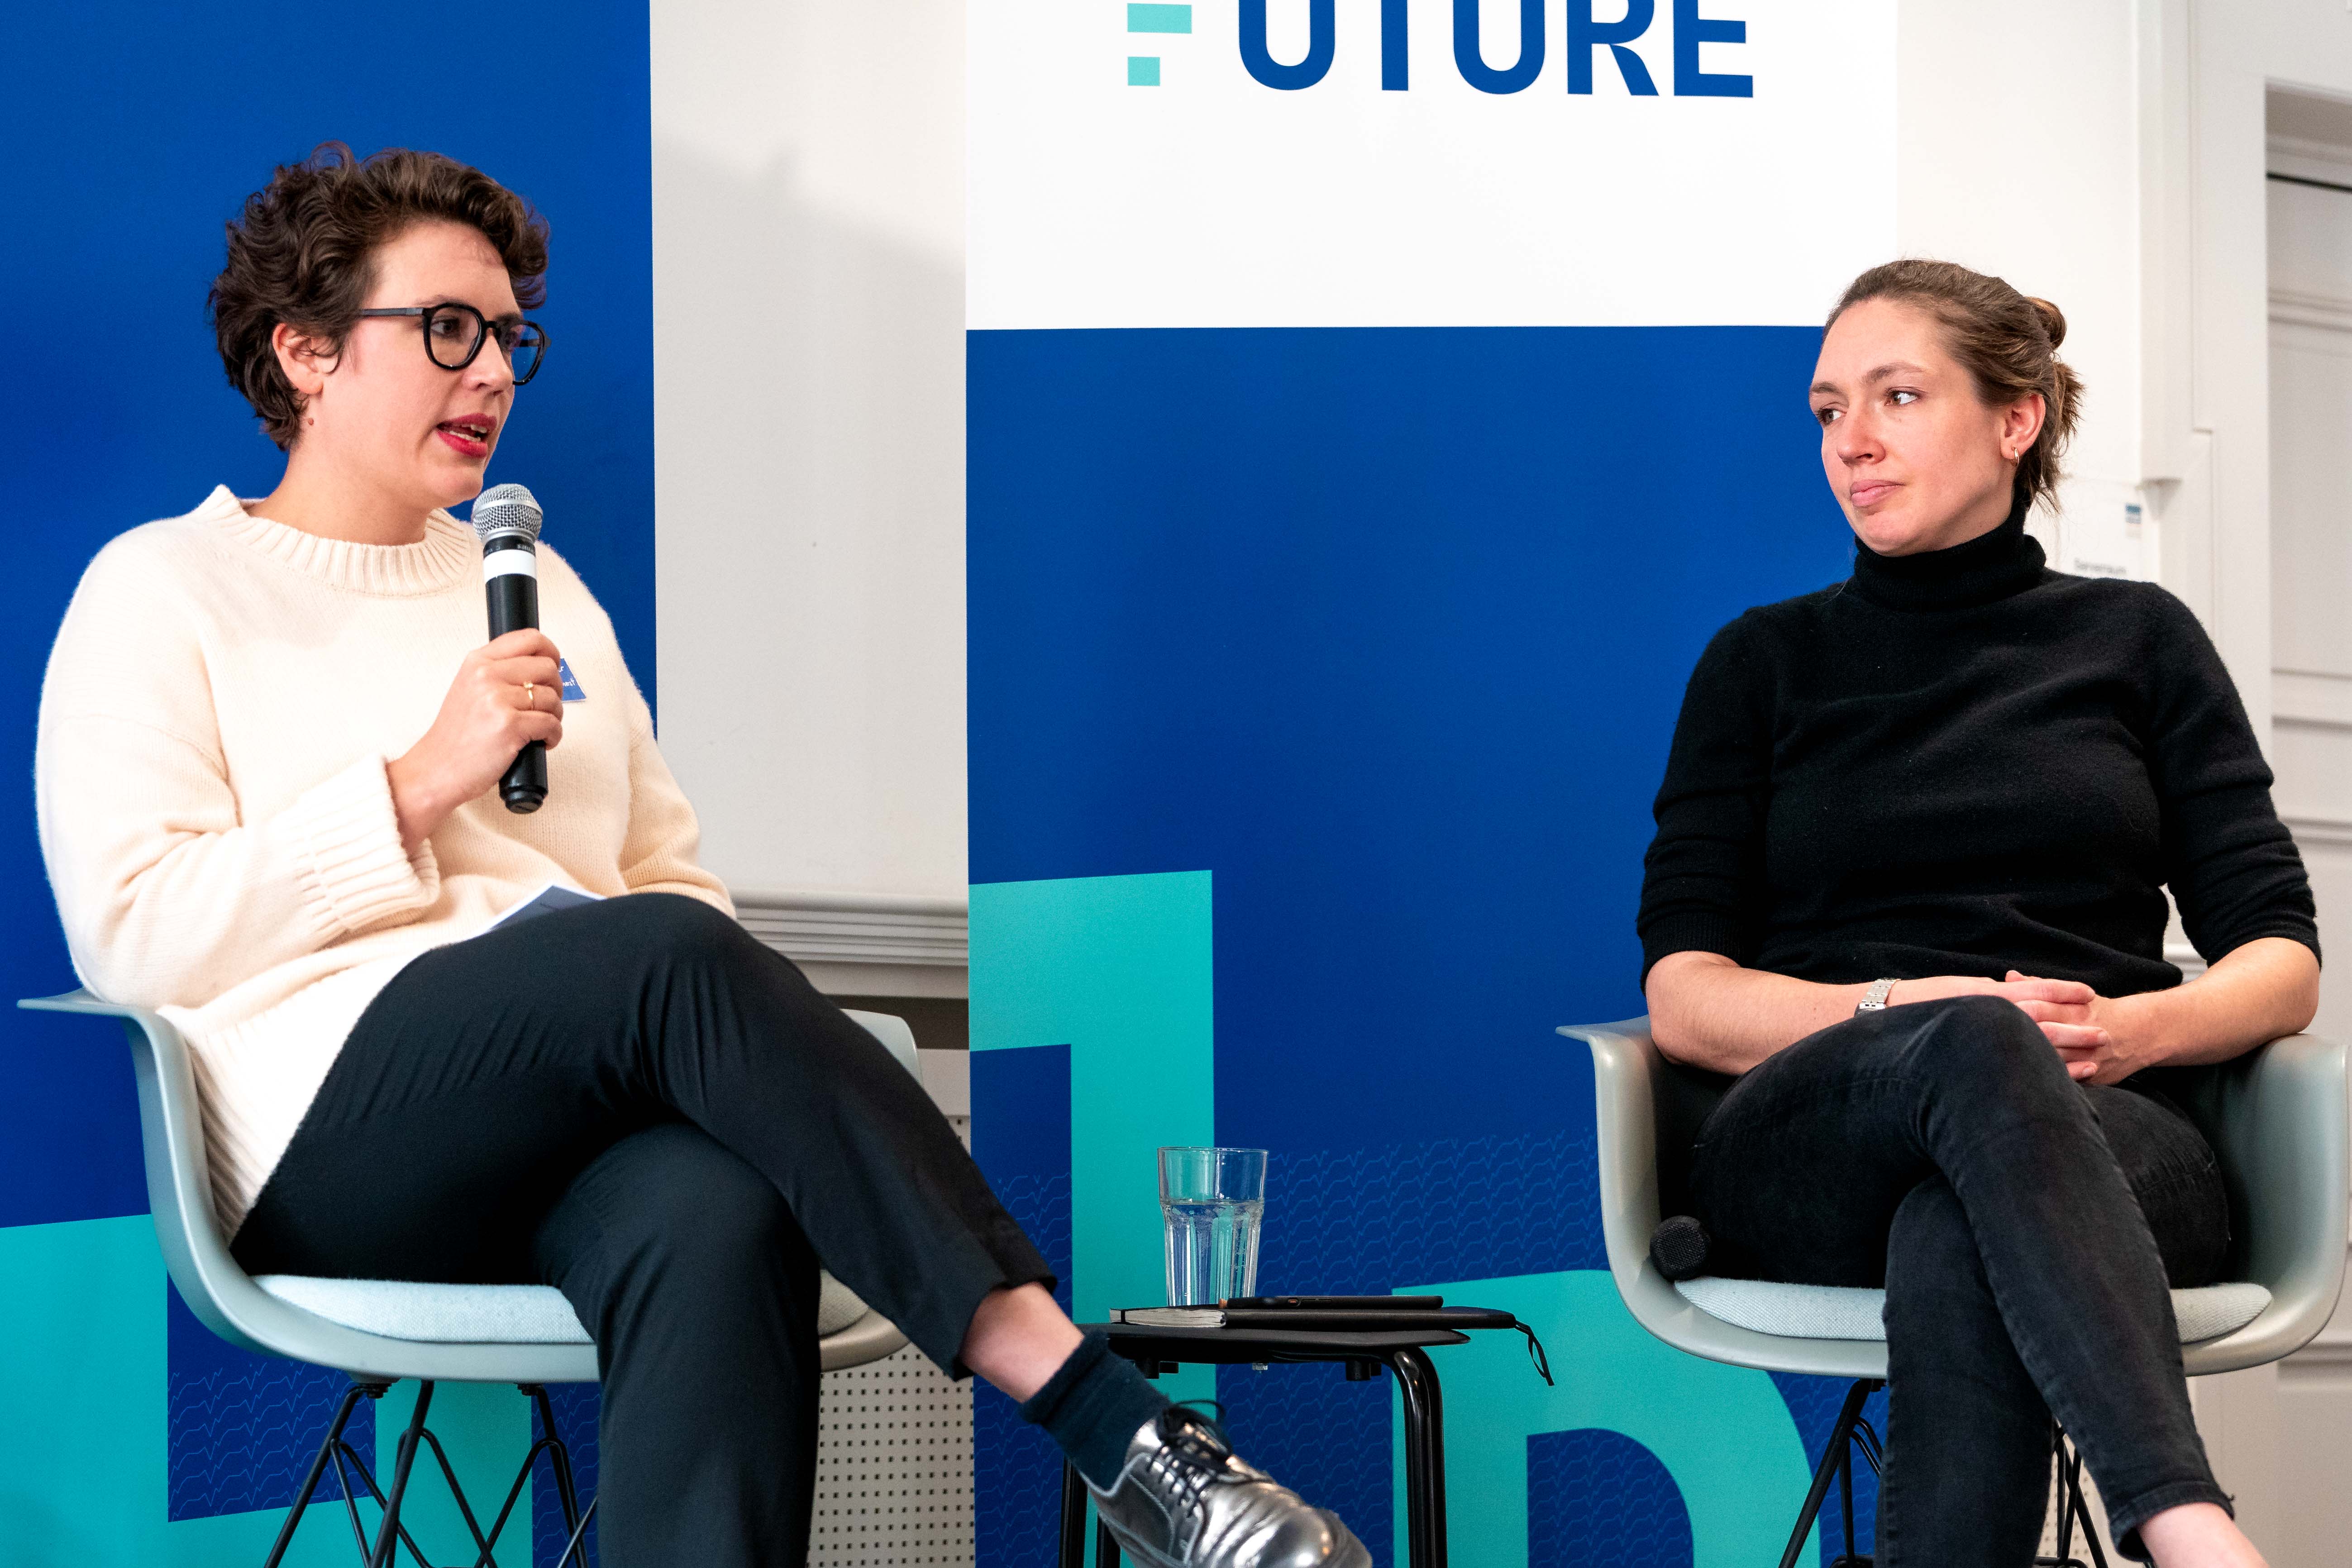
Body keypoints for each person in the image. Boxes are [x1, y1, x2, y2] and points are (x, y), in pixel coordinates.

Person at [33, 143, 1366, 1568]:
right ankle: (1112, 1424)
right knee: (656, 957)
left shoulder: (545, 592)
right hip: (320, 1134)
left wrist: (644, 989)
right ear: (305, 350)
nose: (491, 374)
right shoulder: (164, 590)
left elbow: (669, 885)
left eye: (510, 338)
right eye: (448, 329)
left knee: (719, 1210)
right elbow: (134, 931)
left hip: (568, 1116)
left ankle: (1118, 1453)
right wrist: (419, 785)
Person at [1637, 258, 2317, 1568]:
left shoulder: (2140, 641)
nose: (1852, 440)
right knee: (1975, 1040)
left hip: (2106, 1128)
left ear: (2017, 420)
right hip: (1815, 1131)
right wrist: (1915, 1008)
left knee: (1958, 1225)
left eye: (1897, 396)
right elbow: (1686, 997)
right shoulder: (1760, 663)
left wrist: (2126, 1031)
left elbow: (2281, 961)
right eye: (1830, 409)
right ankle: (2190, 1528)